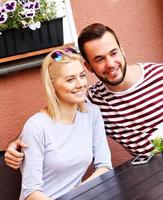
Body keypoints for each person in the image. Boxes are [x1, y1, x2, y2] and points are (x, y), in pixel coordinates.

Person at [5, 23, 163, 168]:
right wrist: (18, 142)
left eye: (113, 53)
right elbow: (55, 115)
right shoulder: (92, 101)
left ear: (122, 50)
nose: (110, 64)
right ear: (88, 66)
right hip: (160, 174)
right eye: (99, 59)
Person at [18, 48, 112, 200]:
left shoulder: (92, 113)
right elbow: (31, 192)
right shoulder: (36, 127)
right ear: (52, 85)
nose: (80, 84)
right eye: (70, 79)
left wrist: (80, 192)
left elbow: (105, 166)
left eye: (82, 76)